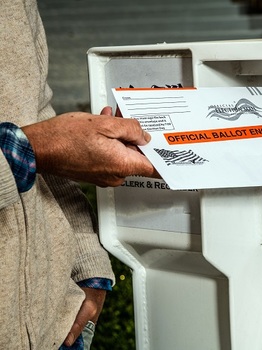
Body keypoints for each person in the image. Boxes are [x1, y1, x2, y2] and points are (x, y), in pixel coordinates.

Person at [0, 0, 157, 349]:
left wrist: (88, 263)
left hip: (59, 326)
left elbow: (35, 110)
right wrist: (35, 147)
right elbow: (39, 139)